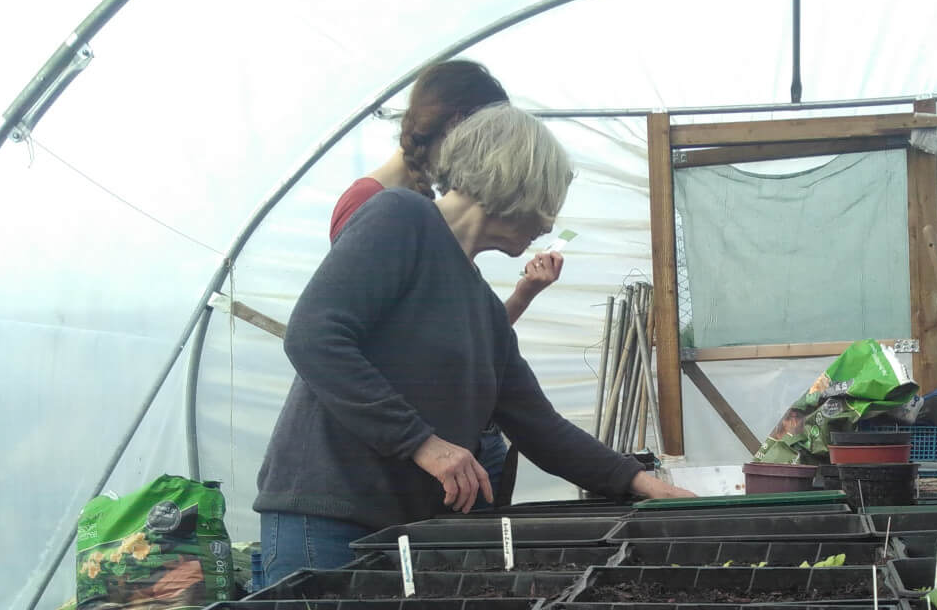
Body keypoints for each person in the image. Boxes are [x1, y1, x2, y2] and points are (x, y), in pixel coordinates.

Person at [255, 103, 692, 583]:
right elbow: (315, 335)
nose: (548, 224)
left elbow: (539, 426)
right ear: (515, 181)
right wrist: (424, 443)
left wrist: (640, 482)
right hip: (329, 518)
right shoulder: (401, 217)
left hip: (403, 529)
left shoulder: (482, 307)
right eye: (547, 203)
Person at [330, 59, 562, 508]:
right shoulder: (382, 208)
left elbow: (461, 340)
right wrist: (423, 442)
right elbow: (344, 341)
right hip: (375, 475)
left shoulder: (433, 221)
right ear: (462, 128)